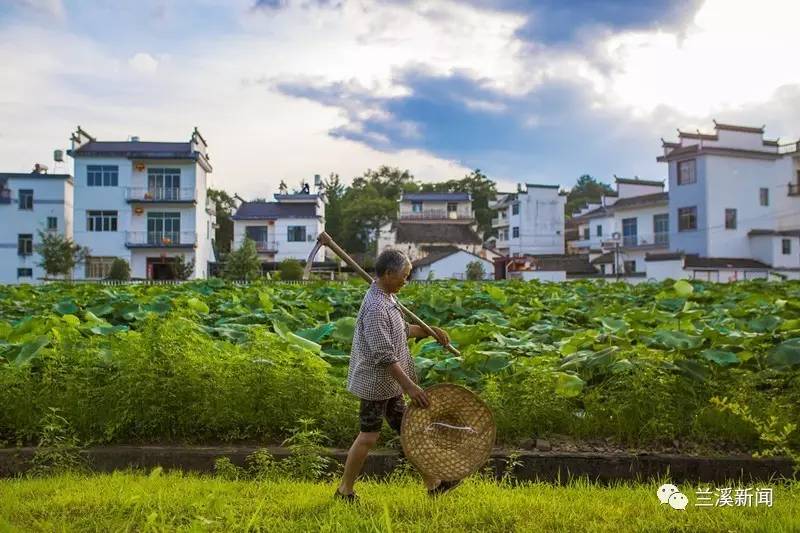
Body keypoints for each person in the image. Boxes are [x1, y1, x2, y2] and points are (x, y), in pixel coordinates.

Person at [335, 249, 459, 501]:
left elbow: (402, 330)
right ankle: (344, 491)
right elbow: (384, 356)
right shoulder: (375, 307)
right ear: (389, 274)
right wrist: (411, 387)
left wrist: (430, 331)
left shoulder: (388, 299)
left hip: (390, 384)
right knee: (369, 436)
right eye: (404, 276)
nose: (406, 281)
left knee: (409, 432)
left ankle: (434, 485)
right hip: (375, 383)